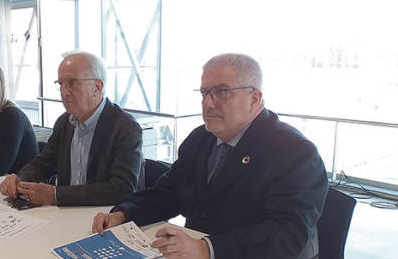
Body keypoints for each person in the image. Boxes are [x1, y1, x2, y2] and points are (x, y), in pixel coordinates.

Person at [92, 53, 328, 259]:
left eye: (221, 92)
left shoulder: (294, 152)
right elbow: (171, 192)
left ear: (254, 99)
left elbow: (287, 234)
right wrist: (125, 213)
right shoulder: (201, 139)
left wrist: (206, 250)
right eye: (204, 92)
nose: (207, 103)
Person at [0, 50, 144, 206]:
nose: (64, 92)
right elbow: (44, 163)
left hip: (107, 216)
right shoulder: (65, 122)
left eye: (73, 83)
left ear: (97, 87)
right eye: (61, 84)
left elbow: (121, 189)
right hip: (68, 214)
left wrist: (56, 196)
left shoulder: (125, 127)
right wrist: (20, 179)